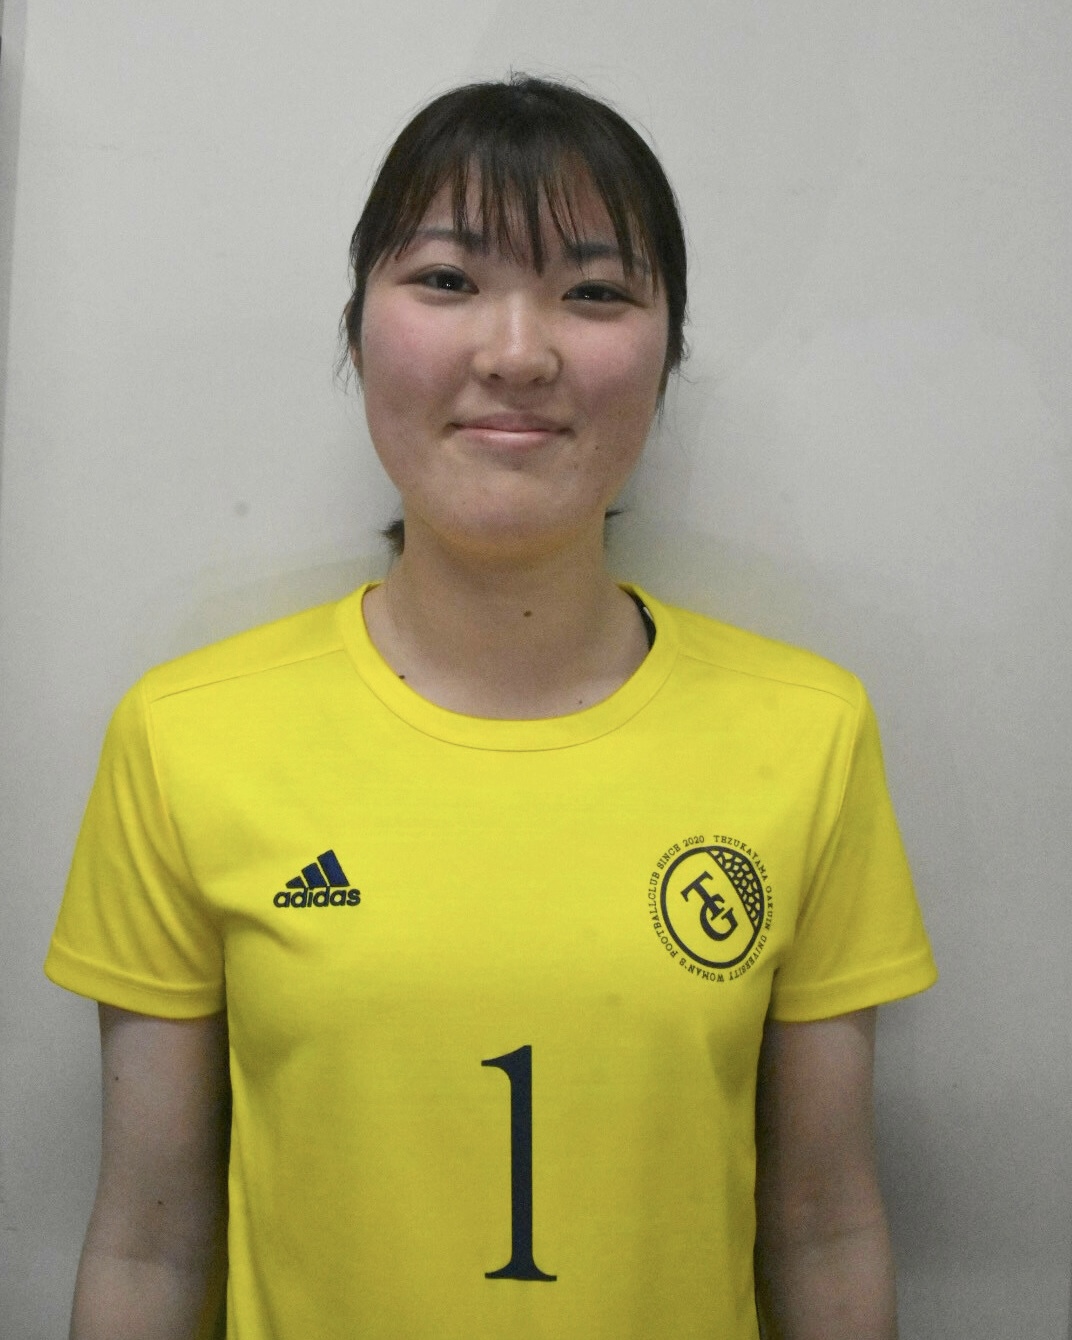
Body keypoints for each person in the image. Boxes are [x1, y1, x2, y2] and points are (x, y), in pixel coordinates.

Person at [46, 75, 937, 1340]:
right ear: (358, 331)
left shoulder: (809, 733)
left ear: (667, 355)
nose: (517, 353)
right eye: (448, 279)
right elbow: (149, 1243)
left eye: (595, 291)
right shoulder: (185, 735)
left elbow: (824, 1224)